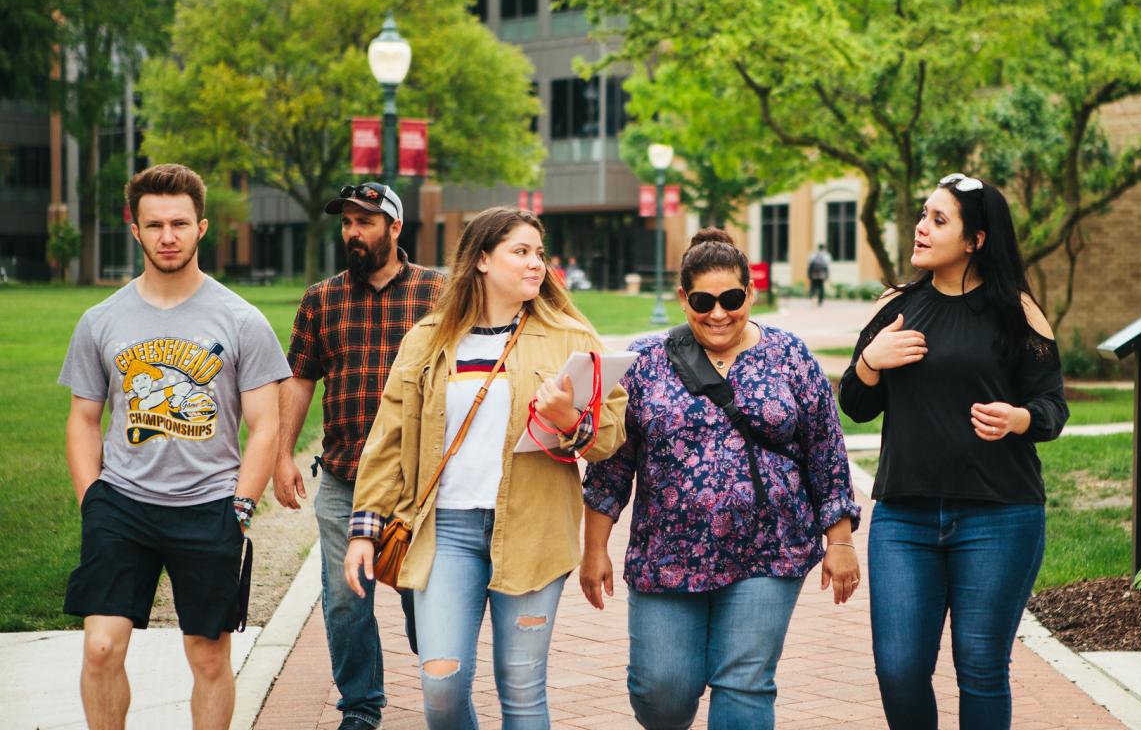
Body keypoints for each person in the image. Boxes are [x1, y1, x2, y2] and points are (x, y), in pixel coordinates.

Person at [342, 207, 627, 729]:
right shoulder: (427, 339)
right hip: (445, 530)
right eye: (520, 252)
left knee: (522, 689)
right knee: (442, 684)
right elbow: (388, 439)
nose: (535, 264)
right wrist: (365, 529)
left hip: (534, 528)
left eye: (539, 253)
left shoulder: (568, 336)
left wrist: (570, 421)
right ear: (480, 260)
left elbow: (610, 439)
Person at [582, 228, 862, 730]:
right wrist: (593, 548)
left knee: (745, 681)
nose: (718, 313)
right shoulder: (645, 360)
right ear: (683, 297)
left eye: (732, 299)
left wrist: (839, 541)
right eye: (704, 301)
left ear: (750, 294)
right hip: (668, 553)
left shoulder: (789, 356)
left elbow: (826, 449)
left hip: (770, 549)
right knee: (661, 694)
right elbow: (612, 466)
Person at [58, 164, 291, 730]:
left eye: (180, 223)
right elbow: (84, 419)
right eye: (155, 224)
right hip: (123, 505)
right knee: (101, 649)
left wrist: (241, 506)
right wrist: (94, 501)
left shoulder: (242, 320)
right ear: (134, 230)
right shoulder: (101, 320)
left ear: (202, 227)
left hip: (209, 504)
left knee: (208, 655)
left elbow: (266, 424)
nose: (168, 236)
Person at [838, 173, 1069, 729]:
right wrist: (872, 361)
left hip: (998, 516)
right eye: (923, 215)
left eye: (939, 220)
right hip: (904, 518)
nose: (921, 227)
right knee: (898, 670)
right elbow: (854, 404)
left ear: (976, 240)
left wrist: (1019, 418)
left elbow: (1053, 407)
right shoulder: (897, 307)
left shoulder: (1017, 311)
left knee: (982, 669)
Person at [274, 181, 444, 730]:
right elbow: (299, 381)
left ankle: (443, 689)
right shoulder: (321, 299)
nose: (353, 231)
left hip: (420, 484)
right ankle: (361, 708)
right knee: (345, 601)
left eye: (366, 221)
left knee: (426, 599)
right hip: (345, 478)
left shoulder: (437, 293)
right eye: (347, 221)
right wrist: (282, 455)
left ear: (395, 228)